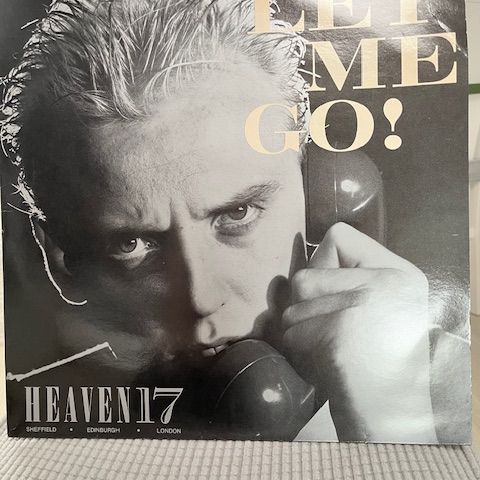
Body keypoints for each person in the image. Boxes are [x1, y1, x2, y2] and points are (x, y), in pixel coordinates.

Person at [0, 0, 469, 443]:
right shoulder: (29, 417)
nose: (201, 298)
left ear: (312, 190)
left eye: (237, 213)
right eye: (131, 244)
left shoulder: (454, 391)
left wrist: (386, 420)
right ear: (59, 256)